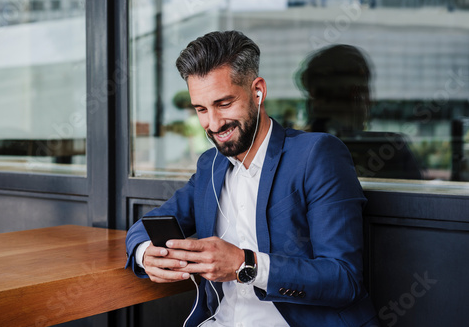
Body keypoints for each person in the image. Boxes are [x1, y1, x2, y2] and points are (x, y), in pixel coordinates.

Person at [125, 31, 378, 326]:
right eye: (201, 109)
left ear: (257, 91)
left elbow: (343, 279)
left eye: (223, 103)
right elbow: (143, 228)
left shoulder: (316, 155)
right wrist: (145, 254)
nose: (214, 124)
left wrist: (245, 264)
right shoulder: (210, 165)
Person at [296, 44, 423, 179]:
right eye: (366, 91)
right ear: (356, 96)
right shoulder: (390, 149)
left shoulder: (295, 150)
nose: (371, 102)